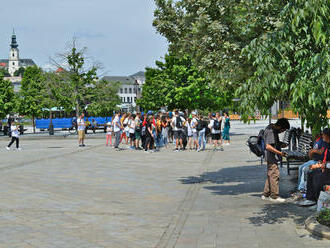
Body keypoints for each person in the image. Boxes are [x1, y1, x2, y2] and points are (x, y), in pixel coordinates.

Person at [261, 118, 290, 202]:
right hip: (271, 156)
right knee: (274, 174)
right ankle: (274, 196)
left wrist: (281, 144)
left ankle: (266, 194)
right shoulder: (271, 131)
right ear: (279, 126)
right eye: (283, 129)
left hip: (270, 156)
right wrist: (280, 153)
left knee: (271, 174)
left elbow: (274, 143)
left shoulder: (272, 129)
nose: (282, 131)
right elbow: (268, 146)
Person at [296, 128, 329, 193]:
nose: (322, 135)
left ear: (327, 135)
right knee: (301, 167)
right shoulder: (320, 141)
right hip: (318, 161)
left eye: (323, 134)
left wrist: (313, 151)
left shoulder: (323, 142)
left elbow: (322, 152)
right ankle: (300, 187)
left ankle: (303, 189)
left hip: (321, 162)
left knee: (306, 169)